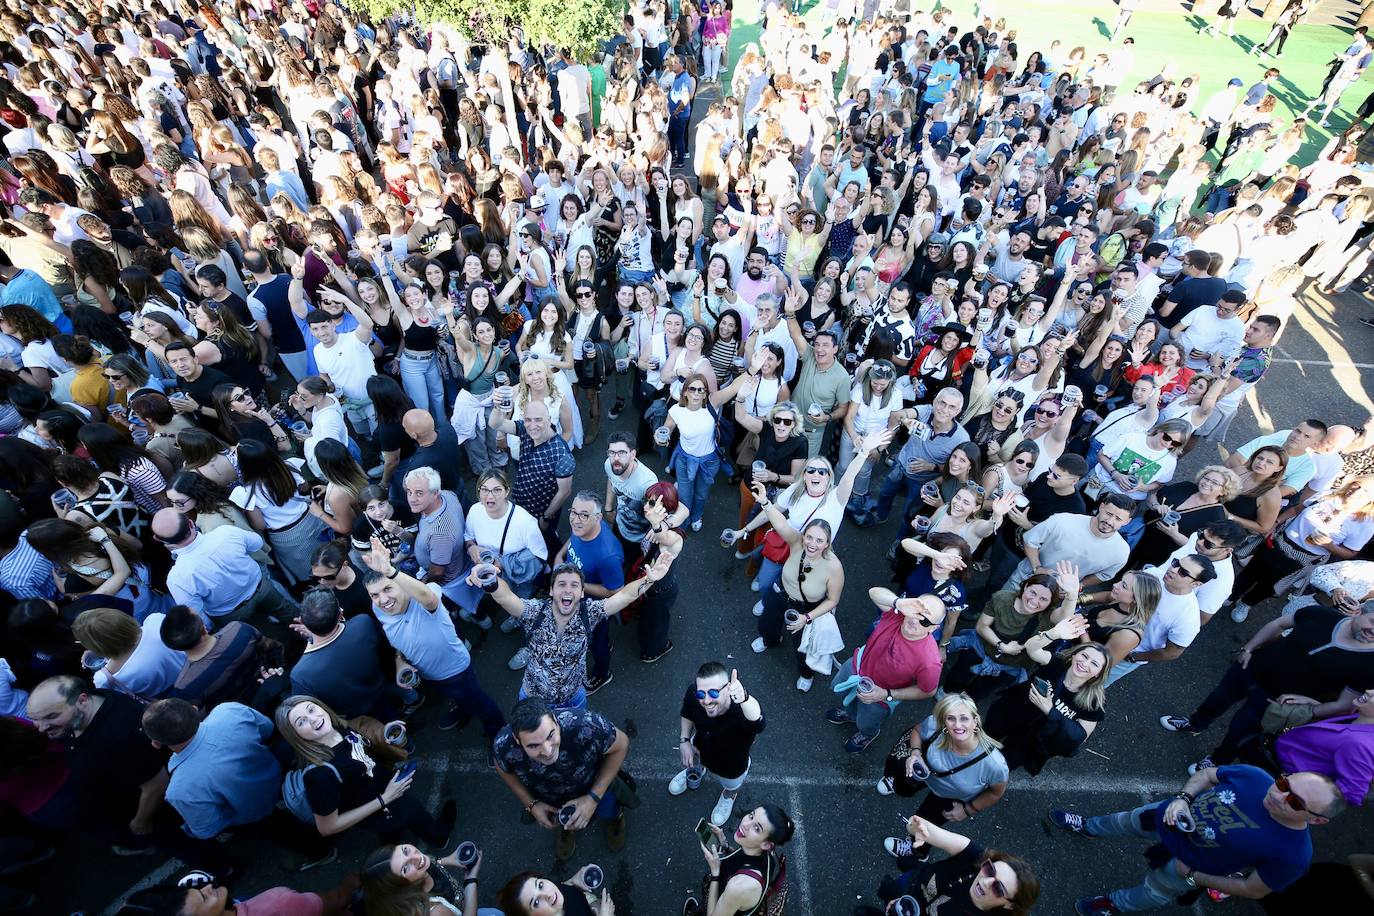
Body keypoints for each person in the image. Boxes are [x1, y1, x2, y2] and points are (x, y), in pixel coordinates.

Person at [1050, 765, 1342, 913]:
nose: (1278, 796)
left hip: (1188, 865)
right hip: (1167, 817)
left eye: (1295, 802)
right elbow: (1208, 775)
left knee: (1153, 891)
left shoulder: (1294, 855)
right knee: (1121, 821)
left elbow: (1253, 889)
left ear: (1316, 820)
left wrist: (1194, 876)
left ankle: (1114, 905)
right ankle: (1088, 827)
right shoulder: (1255, 776)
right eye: (1283, 783)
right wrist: (1182, 799)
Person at [1158, 603, 1374, 773]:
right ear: (1359, 612)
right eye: (1372, 622)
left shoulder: (1370, 664)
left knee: (1240, 730)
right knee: (1217, 699)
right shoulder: (1321, 615)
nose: (1373, 631)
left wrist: (1311, 709)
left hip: (1275, 701)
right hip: (1249, 668)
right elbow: (1278, 625)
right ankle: (1195, 723)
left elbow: (1345, 705)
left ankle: (1217, 759)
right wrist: (1249, 648)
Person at [141, 697, 335, 873]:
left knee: (284, 832)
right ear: (193, 708)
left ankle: (322, 852)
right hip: (279, 775)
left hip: (256, 816)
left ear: (156, 743)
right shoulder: (229, 710)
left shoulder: (179, 791)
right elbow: (266, 729)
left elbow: (208, 828)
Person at [472, 556, 671, 708]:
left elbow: (626, 595)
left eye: (574, 585)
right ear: (551, 591)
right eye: (561, 584)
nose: (568, 590)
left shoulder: (590, 613)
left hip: (574, 698)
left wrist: (649, 580)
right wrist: (490, 581)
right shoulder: (534, 612)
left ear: (582, 593)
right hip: (534, 700)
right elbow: (505, 596)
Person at [359, 535, 506, 737]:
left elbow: (428, 597)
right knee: (461, 699)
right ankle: (463, 710)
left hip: (456, 672)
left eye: (388, 588)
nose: (383, 600)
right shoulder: (379, 610)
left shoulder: (424, 597)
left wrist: (390, 571)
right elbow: (398, 639)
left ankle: (499, 734)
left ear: (400, 583)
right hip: (429, 675)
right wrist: (400, 661)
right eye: (374, 595)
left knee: (482, 705)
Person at [275, 694, 453, 846]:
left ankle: (391, 840)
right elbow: (327, 827)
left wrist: (384, 737)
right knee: (413, 811)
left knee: (391, 830)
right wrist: (385, 799)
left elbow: (359, 750)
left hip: (383, 788)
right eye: (301, 722)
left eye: (311, 709)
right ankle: (440, 838)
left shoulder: (335, 728)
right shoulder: (320, 775)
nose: (313, 719)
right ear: (296, 736)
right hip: (380, 805)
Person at [25, 676, 170, 856]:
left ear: (83, 700)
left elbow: (157, 785)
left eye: (51, 717)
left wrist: (141, 823)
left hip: (150, 815)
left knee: (180, 846)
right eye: (35, 719)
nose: (41, 728)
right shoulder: (89, 705)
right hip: (109, 809)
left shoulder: (117, 737)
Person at [492, 696, 630, 861]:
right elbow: (501, 765)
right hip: (550, 796)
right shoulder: (504, 744)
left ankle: (615, 819)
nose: (548, 751)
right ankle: (567, 828)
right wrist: (530, 804)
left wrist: (593, 798)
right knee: (563, 819)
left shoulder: (586, 724)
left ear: (556, 722)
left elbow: (621, 744)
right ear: (516, 740)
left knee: (610, 808)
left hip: (597, 785)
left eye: (550, 735)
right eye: (533, 745)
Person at [749, 482, 846, 692]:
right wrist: (765, 502)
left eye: (819, 540)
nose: (812, 544)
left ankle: (806, 672)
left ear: (828, 543)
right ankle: (770, 639)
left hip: (808, 608)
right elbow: (781, 523)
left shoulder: (834, 567)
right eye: (809, 537)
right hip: (780, 593)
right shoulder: (797, 543)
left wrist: (807, 618)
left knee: (804, 646)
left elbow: (832, 600)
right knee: (768, 623)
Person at [827, 587, 944, 753]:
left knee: (865, 722)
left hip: (880, 695)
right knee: (841, 692)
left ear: (933, 628)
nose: (915, 621)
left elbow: (928, 690)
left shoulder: (930, 661)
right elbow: (873, 592)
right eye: (917, 612)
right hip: (857, 667)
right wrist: (899, 602)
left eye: (925, 621)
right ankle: (850, 714)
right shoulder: (899, 613)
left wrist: (886, 694)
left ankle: (868, 734)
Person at [877, 692, 1009, 838]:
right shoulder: (937, 725)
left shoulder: (995, 764)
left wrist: (968, 810)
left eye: (964, 718)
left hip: (948, 797)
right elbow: (916, 731)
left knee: (926, 826)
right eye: (951, 718)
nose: (958, 725)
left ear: (975, 720)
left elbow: (996, 792)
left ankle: (915, 849)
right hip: (925, 774)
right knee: (902, 784)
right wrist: (915, 754)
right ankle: (896, 784)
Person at [152, 507, 298, 628]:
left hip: (232, 615)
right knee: (291, 616)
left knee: (258, 641)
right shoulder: (226, 533)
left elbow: (197, 613)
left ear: (158, 539)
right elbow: (257, 543)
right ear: (191, 523)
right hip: (262, 589)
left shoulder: (176, 578)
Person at [984, 643, 1112, 775]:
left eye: (1094, 664)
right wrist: (1053, 633)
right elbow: (1032, 649)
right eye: (1084, 655)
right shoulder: (1056, 664)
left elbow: (1078, 737)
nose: (1085, 663)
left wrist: (1050, 711)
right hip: (1009, 713)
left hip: (1031, 740)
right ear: (1074, 655)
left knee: (998, 769)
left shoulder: (1094, 702)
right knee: (979, 743)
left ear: (1098, 674)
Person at [876, 816, 1040, 916]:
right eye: (990, 870)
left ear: (1009, 904)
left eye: (999, 888)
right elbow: (919, 826)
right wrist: (917, 829)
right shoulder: (976, 857)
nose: (985, 881)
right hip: (911, 888)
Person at [674, 662, 765, 827]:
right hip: (699, 749)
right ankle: (698, 771)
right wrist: (685, 741)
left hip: (731, 765)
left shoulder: (742, 711)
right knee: (695, 762)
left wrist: (744, 698)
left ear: (728, 688)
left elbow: (758, 721)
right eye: (702, 694)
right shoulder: (694, 694)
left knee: (732, 786)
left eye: (714, 692)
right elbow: (687, 713)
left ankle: (728, 796)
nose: (706, 700)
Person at [555, 490, 625, 694]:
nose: (575, 520)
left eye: (584, 515)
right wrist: (560, 555)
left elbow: (615, 591)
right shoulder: (582, 529)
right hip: (578, 597)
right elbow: (573, 537)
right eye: (573, 512)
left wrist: (575, 584)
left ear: (598, 518)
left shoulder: (607, 556)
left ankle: (602, 674)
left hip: (593, 606)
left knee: (597, 642)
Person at [682, 804, 795, 916]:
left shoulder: (738, 887)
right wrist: (724, 845)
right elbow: (741, 858)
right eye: (751, 816)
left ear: (766, 844)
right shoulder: (766, 855)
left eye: (756, 828)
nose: (745, 824)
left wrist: (715, 873)